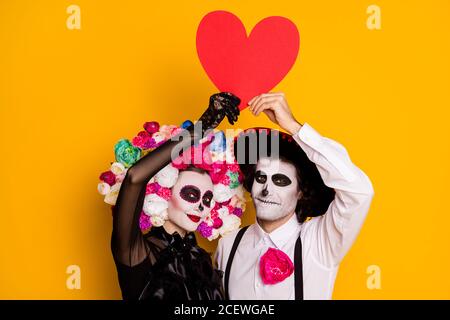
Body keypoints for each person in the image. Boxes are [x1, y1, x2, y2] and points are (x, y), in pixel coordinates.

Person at [215, 92, 375, 300]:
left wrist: (294, 127)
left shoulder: (319, 242)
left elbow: (359, 191)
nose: (266, 189)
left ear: (300, 192)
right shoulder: (228, 245)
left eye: (281, 180)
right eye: (261, 177)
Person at [111, 92, 241, 300]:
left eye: (207, 199)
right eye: (191, 194)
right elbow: (135, 178)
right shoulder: (137, 252)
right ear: (164, 192)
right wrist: (199, 129)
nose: (201, 206)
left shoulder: (202, 261)